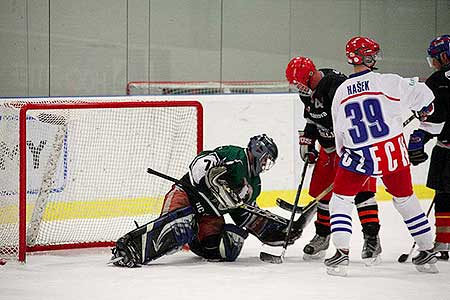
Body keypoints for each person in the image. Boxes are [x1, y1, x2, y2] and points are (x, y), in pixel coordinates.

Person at [326, 36, 438, 276]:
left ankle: (341, 253)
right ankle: (427, 248)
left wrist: (347, 154)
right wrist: (425, 109)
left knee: (341, 200)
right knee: (406, 199)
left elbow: (340, 132)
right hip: (393, 152)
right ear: (367, 56)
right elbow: (425, 96)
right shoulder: (386, 81)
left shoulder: (341, 91)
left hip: (360, 156)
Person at [110, 134, 306, 267]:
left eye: (268, 162)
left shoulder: (255, 185)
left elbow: (246, 216)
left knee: (219, 251)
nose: (265, 165)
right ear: (257, 151)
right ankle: (129, 248)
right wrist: (212, 178)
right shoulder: (234, 156)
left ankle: (193, 234)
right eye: (265, 159)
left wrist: (279, 231)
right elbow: (197, 169)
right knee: (176, 227)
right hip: (187, 195)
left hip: (211, 214)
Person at [285, 56, 381, 265]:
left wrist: (350, 146)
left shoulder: (336, 85)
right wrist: (308, 142)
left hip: (351, 146)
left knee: (362, 193)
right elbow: (311, 118)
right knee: (323, 195)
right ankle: (323, 236)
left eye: (300, 83)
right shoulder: (307, 93)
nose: (298, 88)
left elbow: (349, 116)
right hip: (328, 149)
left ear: (311, 76)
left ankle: (372, 238)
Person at [408, 34, 450, 261]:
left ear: (444, 56)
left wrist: (419, 137)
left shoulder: (435, 82)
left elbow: (435, 121)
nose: (433, 63)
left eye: (434, 58)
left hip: (446, 149)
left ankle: (443, 243)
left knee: (444, 196)